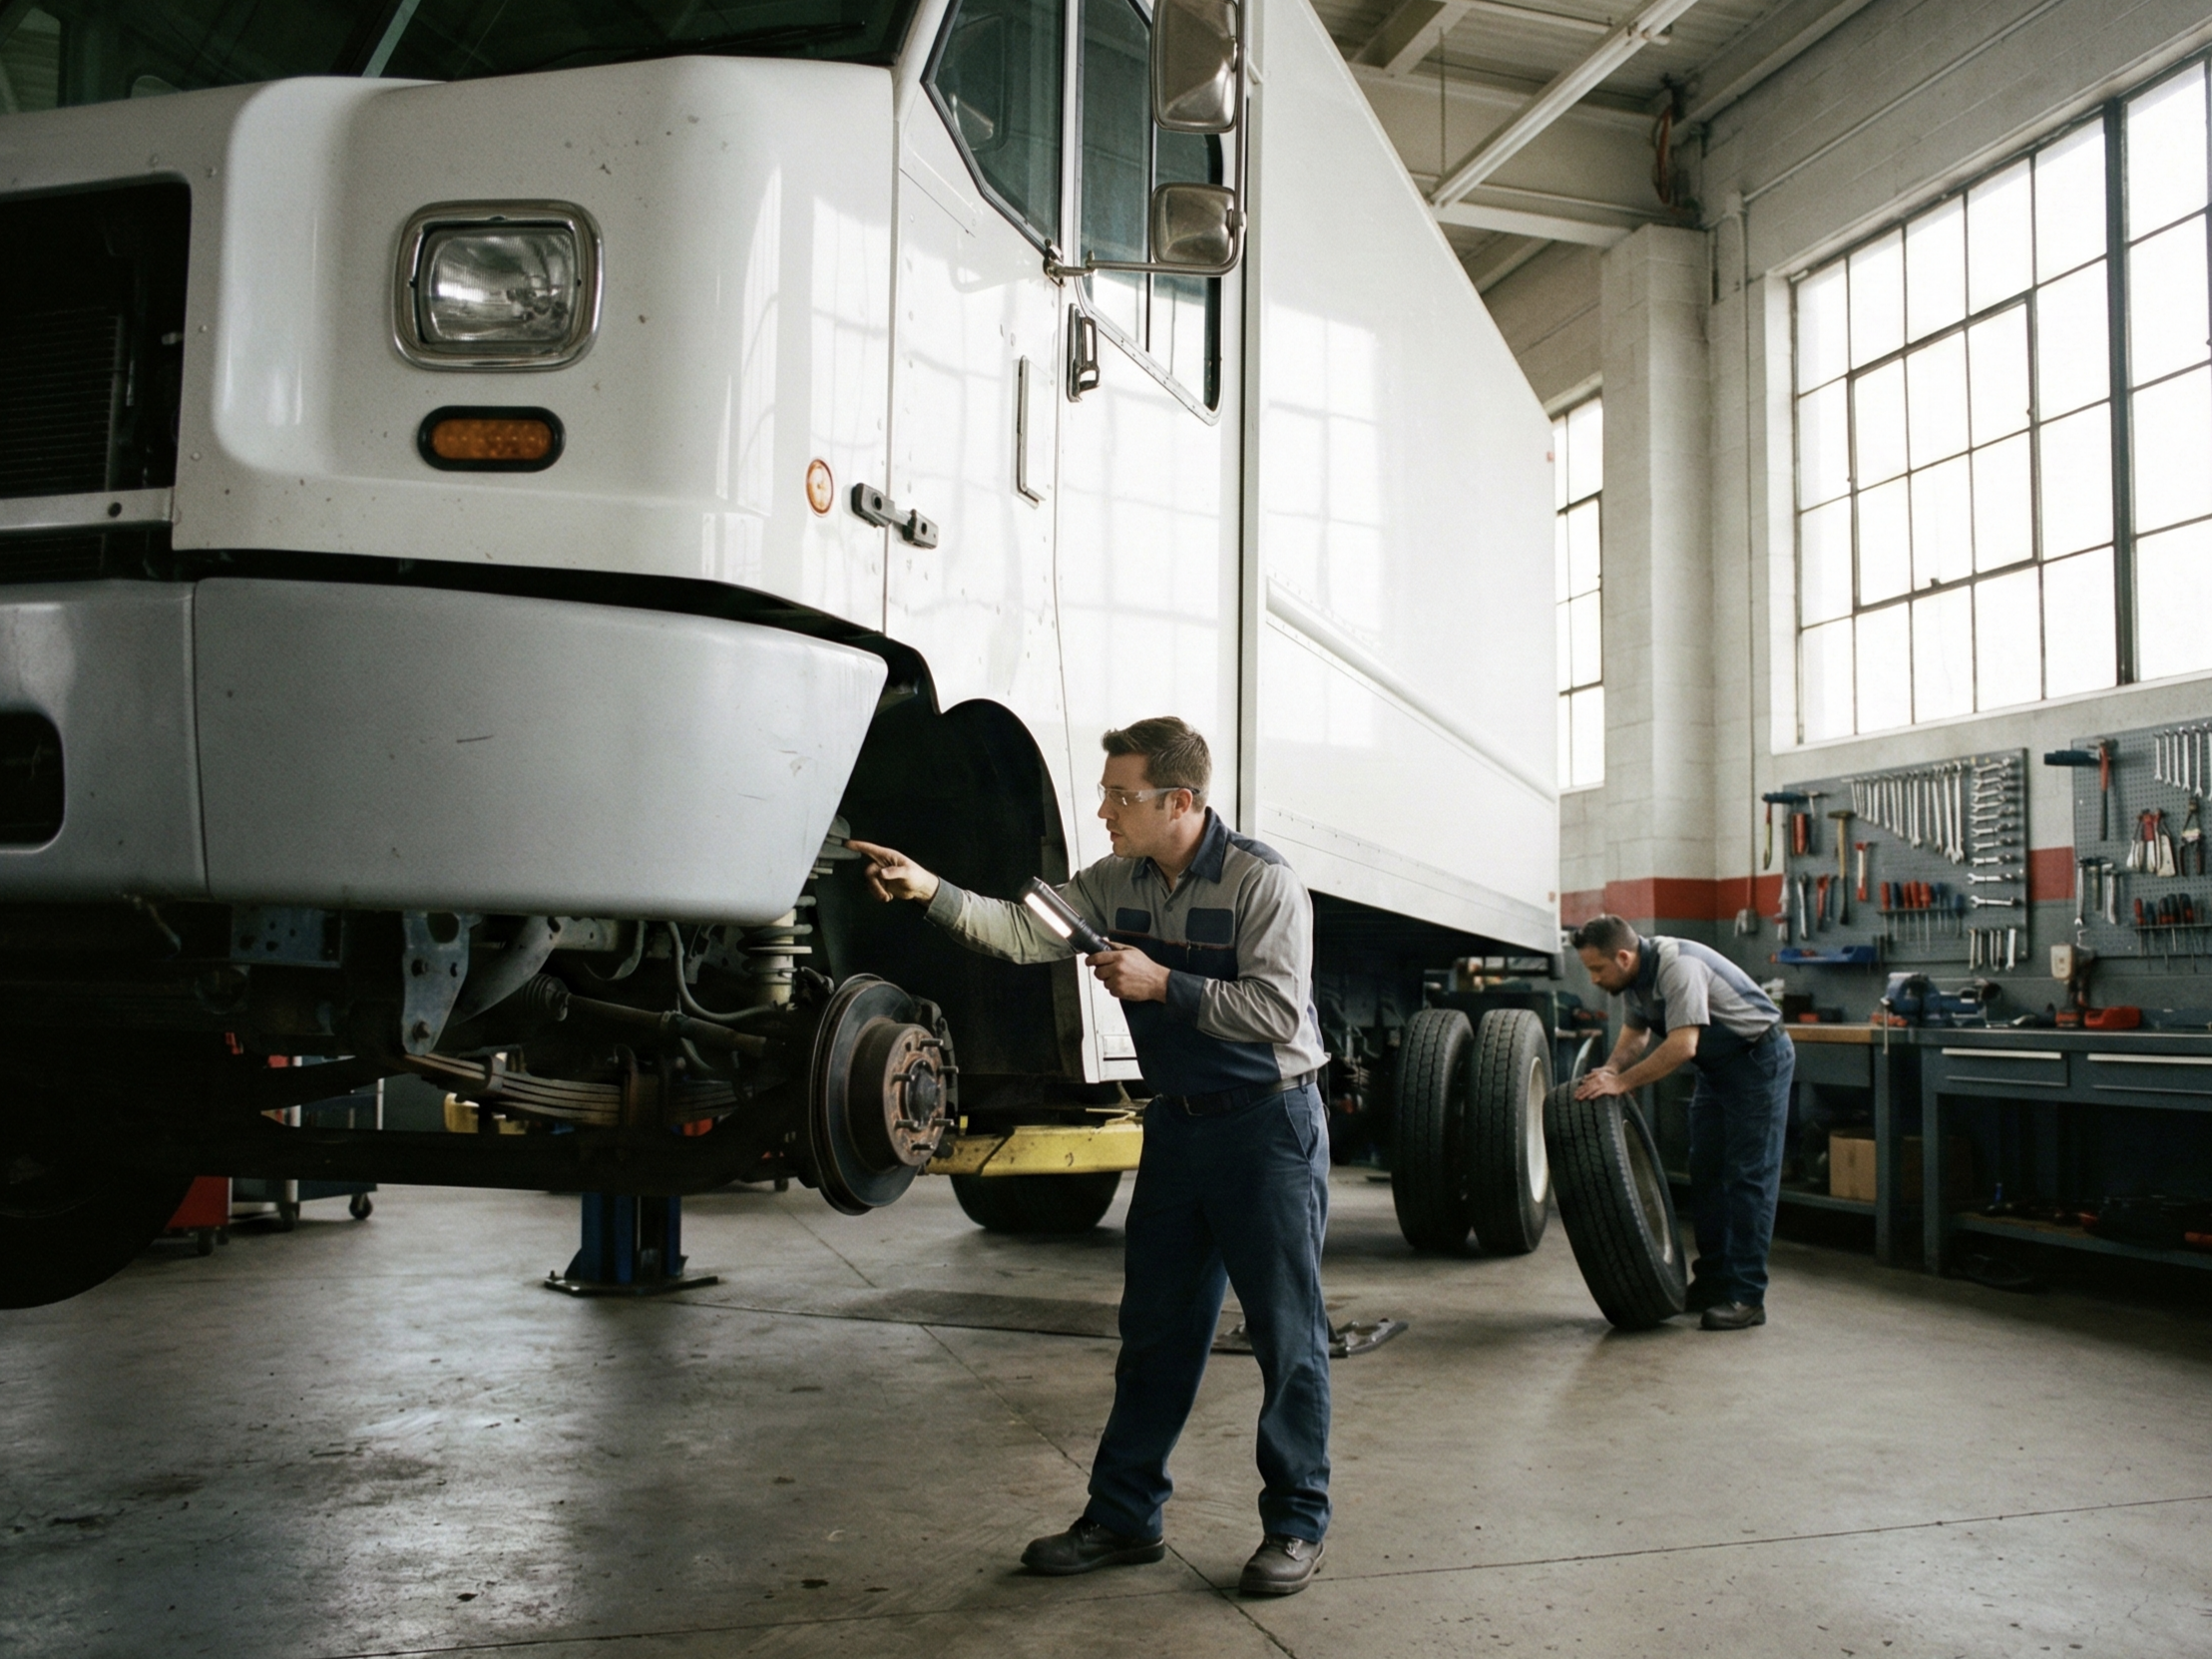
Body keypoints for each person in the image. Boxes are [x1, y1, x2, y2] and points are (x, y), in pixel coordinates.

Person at [847, 716, 1333, 1596]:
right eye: (1105, 790)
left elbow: (1278, 1015)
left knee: (1286, 1335)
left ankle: (1296, 1524)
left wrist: (1163, 984)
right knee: (1153, 1333)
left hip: (1267, 1128)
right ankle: (1123, 1515)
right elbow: (1021, 928)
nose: (1102, 808)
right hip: (1179, 1129)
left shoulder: (1264, 883)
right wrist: (927, 888)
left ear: (1179, 801)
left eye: (1120, 794)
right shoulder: (1113, 881)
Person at [1569, 914, 1793, 1331]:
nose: (1594, 979)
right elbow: (1635, 1035)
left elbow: (1683, 1045)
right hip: (1717, 1069)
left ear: (1622, 956)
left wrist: (1623, 1083)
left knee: (1748, 1177)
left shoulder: (1678, 966)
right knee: (1705, 1172)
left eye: (1597, 969)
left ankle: (1747, 1296)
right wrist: (1611, 1069)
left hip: (1757, 1060)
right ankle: (1712, 1282)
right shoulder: (1632, 979)